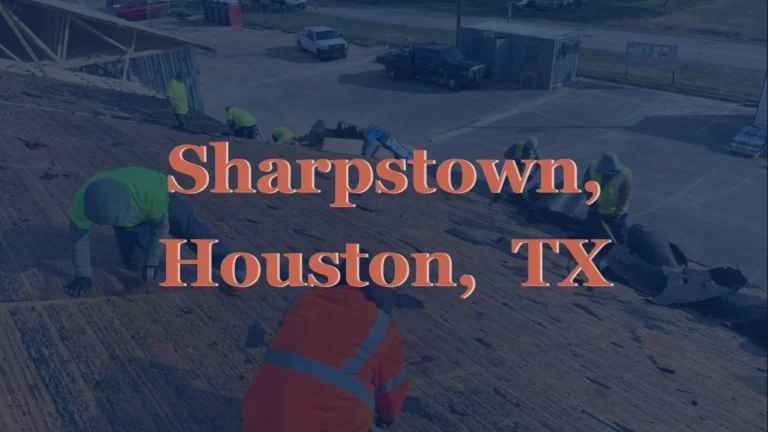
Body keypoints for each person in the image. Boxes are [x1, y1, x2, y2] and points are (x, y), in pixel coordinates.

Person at [241, 253, 408, 432]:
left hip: (257, 422)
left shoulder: (304, 301)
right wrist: (387, 419)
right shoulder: (382, 325)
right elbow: (392, 395)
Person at [65, 167, 245, 297]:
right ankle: (139, 234)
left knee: (190, 231)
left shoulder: (152, 194)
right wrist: (83, 275)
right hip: (132, 209)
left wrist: (152, 262)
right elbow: (78, 241)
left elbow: (161, 228)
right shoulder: (82, 204)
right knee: (134, 263)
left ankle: (233, 265)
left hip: (157, 194)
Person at [582, 152, 632, 245]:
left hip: (614, 212)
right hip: (596, 209)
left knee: (618, 234)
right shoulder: (593, 168)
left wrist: (618, 214)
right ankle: (591, 246)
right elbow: (586, 183)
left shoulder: (625, 175)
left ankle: (621, 249)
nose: (607, 175)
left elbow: (624, 196)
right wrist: (591, 200)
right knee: (592, 229)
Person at [491, 136, 541, 205]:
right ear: (525, 146)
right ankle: (496, 200)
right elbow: (506, 154)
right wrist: (513, 159)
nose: (528, 151)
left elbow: (539, 164)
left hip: (522, 173)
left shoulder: (535, 152)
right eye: (527, 149)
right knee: (502, 186)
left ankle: (523, 203)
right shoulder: (517, 146)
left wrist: (534, 174)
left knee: (522, 190)